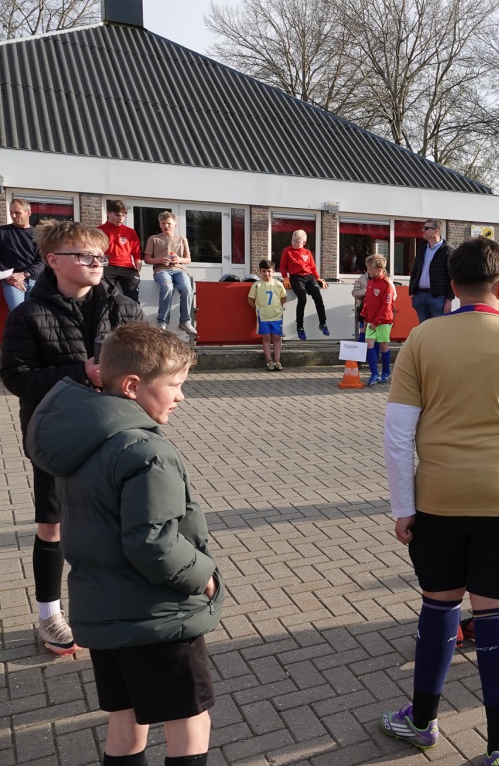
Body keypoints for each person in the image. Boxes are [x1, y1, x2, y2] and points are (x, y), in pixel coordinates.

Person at [382, 236, 499, 766]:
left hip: (437, 500)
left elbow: (397, 435)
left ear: (453, 287)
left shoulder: (421, 338)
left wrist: (403, 507)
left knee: (439, 606)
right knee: (496, 614)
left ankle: (421, 721)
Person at [27, 322, 222, 766]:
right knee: (191, 723)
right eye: (174, 384)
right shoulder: (145, 451)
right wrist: (204, 576)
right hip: (157, 616)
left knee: (126, 721)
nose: (181, 396)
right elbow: (154, 543)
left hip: (104, 612)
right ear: (133, 386)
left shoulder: (83, 439)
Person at [0, 220, 143, 656]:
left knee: (120, 519)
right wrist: (81, 373)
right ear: (53, 261)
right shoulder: (28, 314)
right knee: (53, 525)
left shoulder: (126, 309)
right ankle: (49, 613)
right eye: (84, 255)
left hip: (116, 430)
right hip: (57, 436)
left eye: (100, 255)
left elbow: (148, 364)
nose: (96, 262)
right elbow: (16, 377)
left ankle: (114, 605)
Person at [144, 211, 196, 335]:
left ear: (175, 224)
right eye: (163, 223)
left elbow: (188, 259)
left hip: (179, 270)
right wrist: (160, 260)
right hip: (161, 270)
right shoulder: (154, 239)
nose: (166, 226)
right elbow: (147, 259)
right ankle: (162, 322)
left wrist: (179, 260)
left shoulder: (182, 239)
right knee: (167, 287)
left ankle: (185, 322)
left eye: (169, 223)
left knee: (187, 288)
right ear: (159, 224)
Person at [277, 229, 328, 340]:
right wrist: (285, 278)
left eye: (297, 241)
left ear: (303, 242)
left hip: (309, 276)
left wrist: (319, 279)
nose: (294, 243)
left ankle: (323, 323)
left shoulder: (307, 253)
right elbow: (282, 266)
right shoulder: (287, 251)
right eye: (292, 240)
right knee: (302, 297)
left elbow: (313, 267)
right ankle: (300, 326)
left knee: (318, 297)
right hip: (296, 277)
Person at [0, 197, 45, 310]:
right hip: (12, 281)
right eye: (11, 212)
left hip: (34, 280)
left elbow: (42, 260)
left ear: (28, 213)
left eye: (17, 212)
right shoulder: (2, 232)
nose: (13, 216)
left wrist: (24, 274)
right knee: (17, 312)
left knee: (34, 314)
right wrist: (8, 276)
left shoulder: (38, 235)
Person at [409, 219, 454, 323]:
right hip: (420, 296)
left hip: (437, 297)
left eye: (426, 228)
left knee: (438, 328)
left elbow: (452, 276)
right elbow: (415, 271)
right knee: (424, 328)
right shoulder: (422, 249)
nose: (423, 230)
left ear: (436, 231)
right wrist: (412, 291)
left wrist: (449, 299)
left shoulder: (448, 250)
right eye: (423, 228)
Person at [363, 254, 398, 386]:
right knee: (369, 344)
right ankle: (374, 374)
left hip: (383, 321)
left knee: (383, 345)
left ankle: (386, 372)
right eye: (367, 269)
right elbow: (367, 303)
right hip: (371, 321)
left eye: (370, 269)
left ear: (379, 270)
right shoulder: (370, 282)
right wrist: (366, 319)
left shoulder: (386, 285)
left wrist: (376, 322)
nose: (368, 271)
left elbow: (386, 306)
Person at [100, 199, 142, 303]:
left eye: (123, 216)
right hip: (107, 267)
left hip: (127, 268)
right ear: (108, 213)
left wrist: (138, 270)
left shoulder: (130, 232)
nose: (121, 218)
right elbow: (95, 252)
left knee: (133, 299)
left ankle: (134, 315)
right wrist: (100, 268)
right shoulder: (99, 231)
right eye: (117, 215)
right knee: (106, 298)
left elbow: (136, 253)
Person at [247, 259, 286, 371]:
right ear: (260, 271)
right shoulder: (257, 285)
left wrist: (278, 307)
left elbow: (284, 297)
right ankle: (269, 361)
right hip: (263, 317)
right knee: (267, 338)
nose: (266, 273)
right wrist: (258, 309)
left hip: (276, 316)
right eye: (264, 271)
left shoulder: (278, 284)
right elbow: (250, 299)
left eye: (269, 271)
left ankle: (277, 361)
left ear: (273, 271)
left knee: (277, 338)